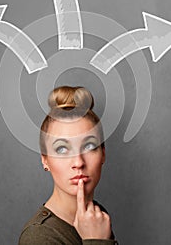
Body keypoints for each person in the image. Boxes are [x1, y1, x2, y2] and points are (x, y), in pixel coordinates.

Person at [18, 86, 118, 244]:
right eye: (62, 149)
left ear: (103, 154)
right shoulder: (39, 237)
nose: (78, 162)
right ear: (45, 160)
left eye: (89, 146)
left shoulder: (96, 217)